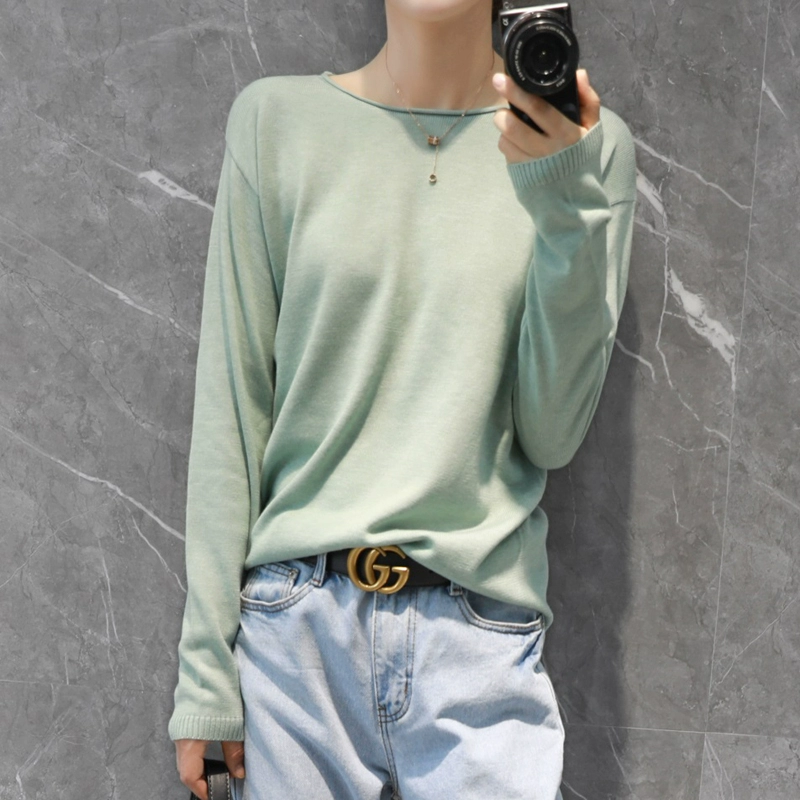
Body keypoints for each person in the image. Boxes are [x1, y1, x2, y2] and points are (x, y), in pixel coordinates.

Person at [169, 0, 638, 798]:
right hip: (295, 643)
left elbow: (553, 434)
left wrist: (566, 206)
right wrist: (206, 673)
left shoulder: (589, 147)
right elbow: (232, 409)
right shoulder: (276, 122)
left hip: (479, 642)